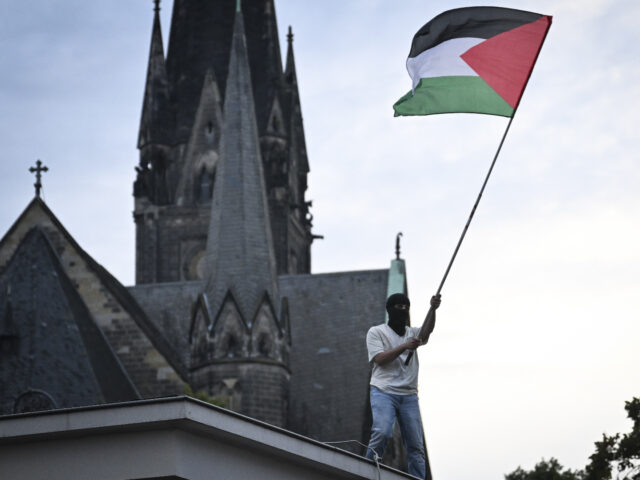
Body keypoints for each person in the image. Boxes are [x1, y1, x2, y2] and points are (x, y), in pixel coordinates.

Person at [365, 292, 441, 479]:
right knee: (382, 433)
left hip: (409, 395)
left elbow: (426, 331)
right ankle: (366, 470)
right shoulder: (376, 332)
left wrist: (433, 309)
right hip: (383, 391)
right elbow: (380, 359)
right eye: (399, 307)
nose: (403, 311)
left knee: (416, 446)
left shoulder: (412, 333)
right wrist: (404, 346)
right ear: (390, 310)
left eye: (406, 307)